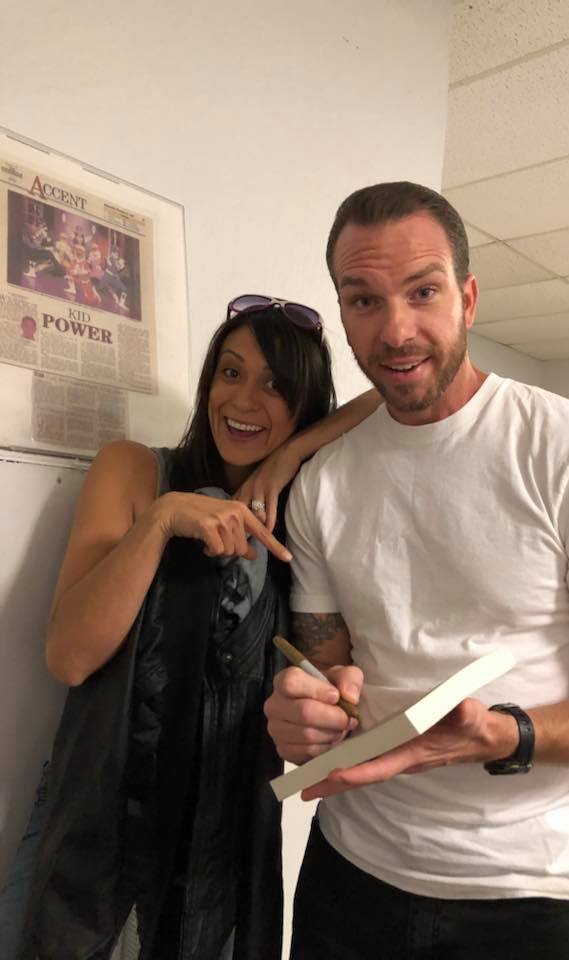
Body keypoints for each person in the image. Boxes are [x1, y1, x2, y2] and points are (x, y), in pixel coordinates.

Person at [264, 182, 569, 960]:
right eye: (363, 300)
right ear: (343, 313)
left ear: (467, 298)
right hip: (350, 873)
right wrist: (310, 712)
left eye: (422, 291)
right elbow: (328, 666)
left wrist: (505, 734)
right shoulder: (323, 481)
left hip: (525, 893)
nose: (396, 329)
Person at [8, 294, 381, 960]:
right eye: (230, 373)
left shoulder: (301, 523)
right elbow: (70, 657)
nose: (243, 400)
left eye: (276, 386)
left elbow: (392, 395)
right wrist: (160, 522)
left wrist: (288, 459)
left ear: (306, 406)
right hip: (101, 802)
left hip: (223, 826)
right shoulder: (135, 469)